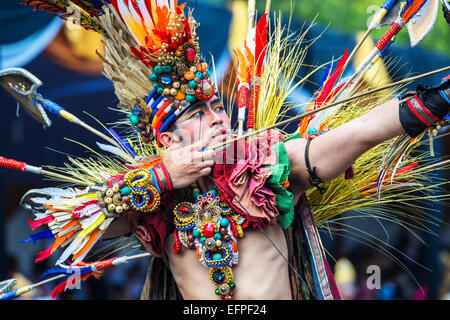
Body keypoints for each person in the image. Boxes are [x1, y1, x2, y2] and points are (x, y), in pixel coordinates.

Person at [3, 0, 448, 301]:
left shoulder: (263, 163)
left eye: (217, 105)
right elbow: (68, 226)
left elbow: (359, 133)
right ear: (167, 139)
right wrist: (161, 178)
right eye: (198, 112)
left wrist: (434, 102)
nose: (218, 117)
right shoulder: (149, 199)